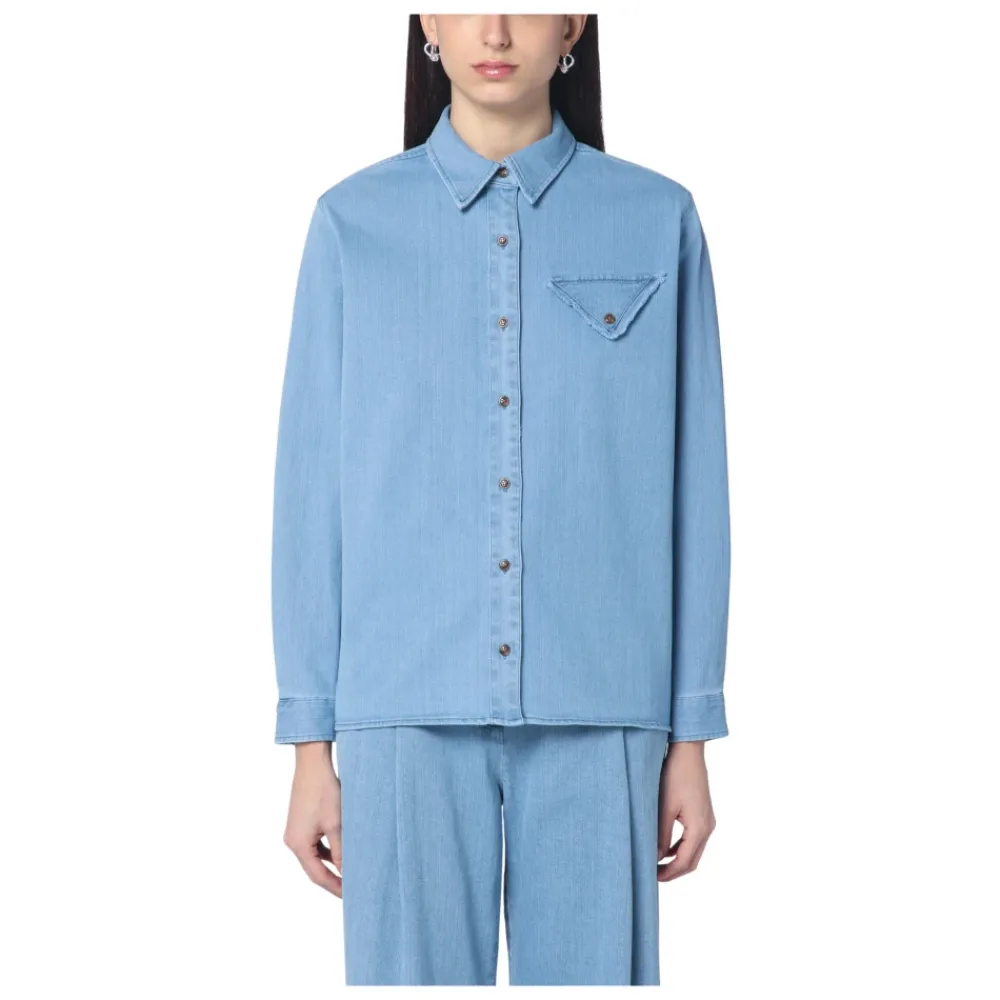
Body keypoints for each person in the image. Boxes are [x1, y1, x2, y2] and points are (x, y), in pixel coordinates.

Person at [271, 13, 730, 987]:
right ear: (424, 24)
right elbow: (311, 495)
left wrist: (691, 732)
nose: (495, 27)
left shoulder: (657, 219)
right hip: (403, 709)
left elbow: (697, 489)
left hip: (603, 707)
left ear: (576, 23)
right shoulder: (351, 225)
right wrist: (310, 741)